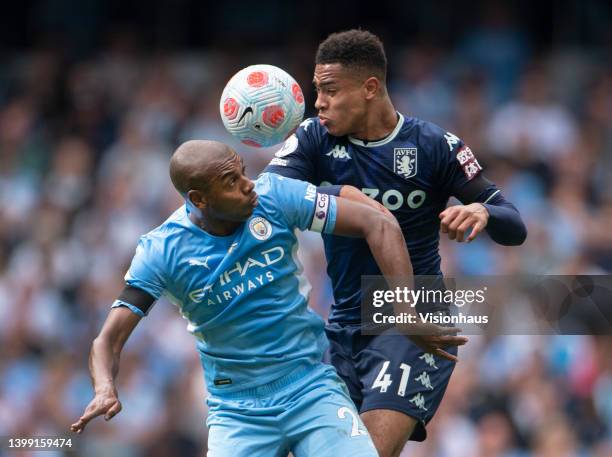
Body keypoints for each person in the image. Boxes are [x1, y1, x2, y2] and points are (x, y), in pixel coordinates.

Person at [69, 140, 464, 456]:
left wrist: (407, 311)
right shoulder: (161, 252)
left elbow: (377, 222)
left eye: (242, 170)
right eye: (230, 181)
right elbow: (108, 340)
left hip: (309, 385)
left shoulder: (273, 197)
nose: (247, 185)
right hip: (236, 410)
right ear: (198, 198)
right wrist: (104, 386)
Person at [265, 29, 528, 457]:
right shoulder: (314, 140)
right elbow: (267, 197)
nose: (319, 103)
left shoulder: (435, 146)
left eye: (330, 90)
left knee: (365, 451)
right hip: (342, 321)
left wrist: (483, 211)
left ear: (370, 88)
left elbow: (514, 225)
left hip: (413, 318)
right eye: (317, 91)